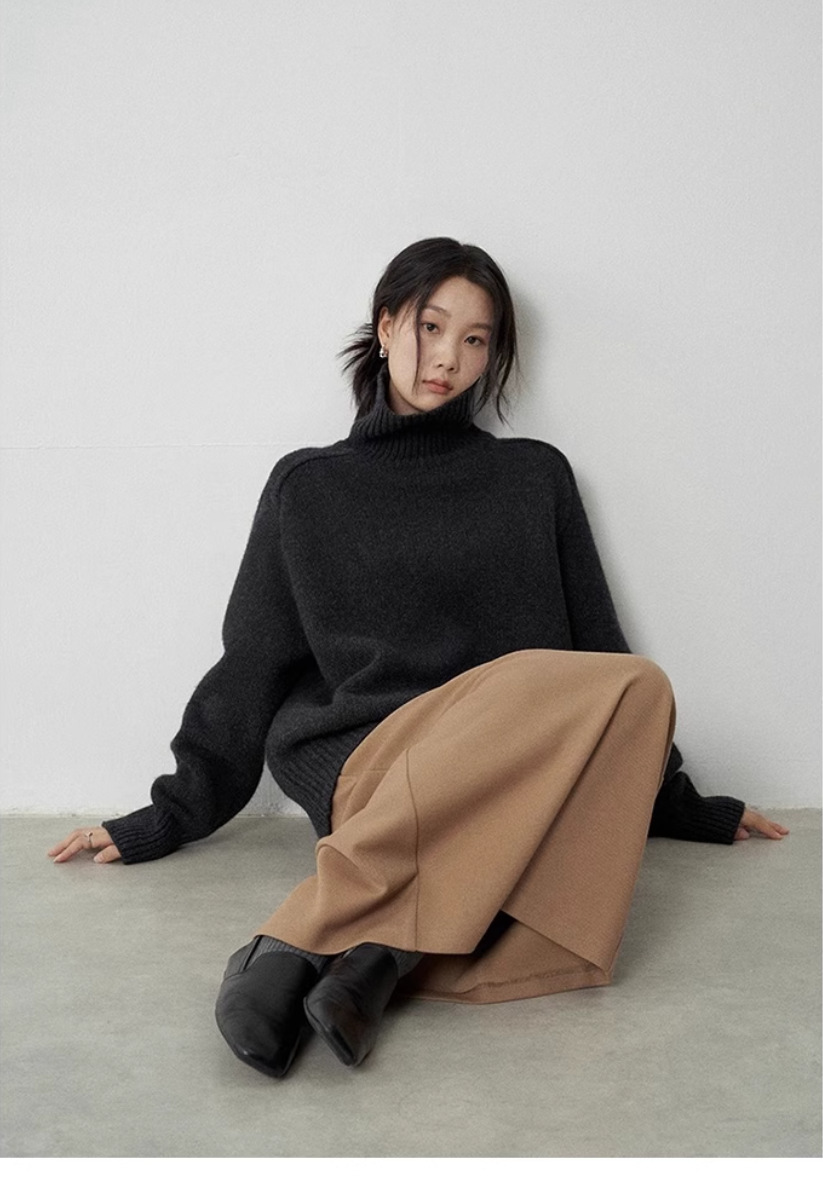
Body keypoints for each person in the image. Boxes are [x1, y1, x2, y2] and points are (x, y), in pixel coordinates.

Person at [49, 238, 788, 1079]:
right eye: (431, 327)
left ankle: (372, 953)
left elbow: (597, 651)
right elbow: (251, 664)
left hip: (508, 764)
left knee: (637, 688)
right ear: (385, 325)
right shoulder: (309, 486)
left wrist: (675, 802)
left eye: (475, 339)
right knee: (535, 828)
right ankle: (320, 936)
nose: (447, 358)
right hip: (373, 757)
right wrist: (169, 813)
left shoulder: (534, 476)